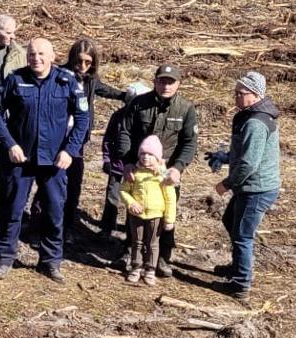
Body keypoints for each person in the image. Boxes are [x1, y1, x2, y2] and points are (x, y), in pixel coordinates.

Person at [0, 38, 92, 282]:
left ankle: (50, 261)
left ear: (53, 56)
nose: (36, 58)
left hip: (55, 161)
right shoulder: (15, 80)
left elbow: (82, 118)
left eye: (42, 54)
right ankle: (4, 258)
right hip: (21, 159)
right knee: (12, 209)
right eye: (32, 54)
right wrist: (10, 144)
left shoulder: (66, 82)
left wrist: (70, 150)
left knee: (55, 212)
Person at [109, 64, 200, 277]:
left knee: (167, 212)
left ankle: (162, 258)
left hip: (165, 173)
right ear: (155, 81)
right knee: (135, 212)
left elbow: (189, 143)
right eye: (162, 81)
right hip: (139, 170)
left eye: (171, 82)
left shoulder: (185, 108)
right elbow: (124, 133)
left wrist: (178, 168)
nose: (166, 86)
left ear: (178, 84)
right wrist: (128, 162)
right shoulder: (139, 104)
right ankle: (130, 253)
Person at [212, 72, 280, 302]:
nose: (236, 98)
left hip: (256, 189)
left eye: (241, 94)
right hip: (250, 186)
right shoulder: (250, 117)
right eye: (235, 93)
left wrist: (227, 183)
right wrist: (224, 157)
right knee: (230, 221)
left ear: (256, 95)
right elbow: (244, 153)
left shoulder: (256, 123)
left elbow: (249, 163)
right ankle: (238, 266)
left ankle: (241, 283)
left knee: (242, 235)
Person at [59, 38, 129, 233]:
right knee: (53, 181)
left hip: (79, 138)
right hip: (57, 136)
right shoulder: (59, 75)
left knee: (74, 182)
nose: (82, 66)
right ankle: (41, 222)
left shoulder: (91, 79)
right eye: (79, 61)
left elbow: (106, 91)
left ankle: (69, 226)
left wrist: (126, 95)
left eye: (88, 62)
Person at [117, 135, 177, 286]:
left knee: (152, 243)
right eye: (143, 154)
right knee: (136, 242)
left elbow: (170, 197)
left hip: (156, 215)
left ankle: (150, 269)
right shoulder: (134, 172)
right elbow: (123, 191)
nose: (146, 157)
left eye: (150, 155)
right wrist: (131, 203)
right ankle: (136, 267)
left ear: (157, 157)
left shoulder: (163, 175)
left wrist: (169, 219)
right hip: (136, 215)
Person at [95, 81, 151, 240]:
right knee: (112, 198)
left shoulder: (146, 119)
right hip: (117, 167)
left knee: (134, 200)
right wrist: (106, 159)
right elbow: (108, 139)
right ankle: (106, 229)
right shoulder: (118, 116)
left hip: (137, 169)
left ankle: (131, 233)